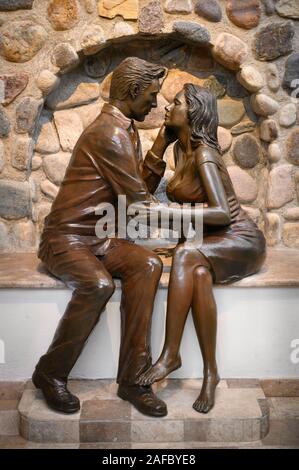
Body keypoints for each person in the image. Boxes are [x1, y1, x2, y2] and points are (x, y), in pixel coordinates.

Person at [32, 57, 175, 418]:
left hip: (97, 238)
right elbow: (140, 202)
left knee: (147, 264)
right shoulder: (109, 132)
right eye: (152, 96)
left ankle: (132, 379)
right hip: (65, 239)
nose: (155, 104)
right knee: (98, 285)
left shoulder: (124, 129)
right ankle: (49, 374)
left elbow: (135, 190)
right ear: (132, 91)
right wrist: (198, 225)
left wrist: (161, 142)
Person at [137, 84, 267, 414]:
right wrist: (161, 141)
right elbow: (143, 190)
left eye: (176, 102)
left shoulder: (205, 154)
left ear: (193, 113)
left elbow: (222, 213)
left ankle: (170, 354)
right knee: (195, 270)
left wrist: (167, 213)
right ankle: (211, 373)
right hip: (213, 239)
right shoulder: (181, 150)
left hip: (240, 238)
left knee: (186, 256)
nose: (167, 106)